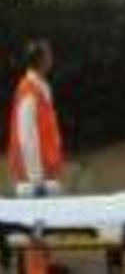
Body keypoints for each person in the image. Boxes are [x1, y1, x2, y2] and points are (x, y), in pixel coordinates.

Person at [7, 40, 64, 274]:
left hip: (45, 174)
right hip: (34, 178)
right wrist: (36, 179)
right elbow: (27, 136)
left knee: (43, 231)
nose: (52, 58)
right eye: (49, 54)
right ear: (40, 60)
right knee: (35, 232)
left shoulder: (40, 87)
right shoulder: (28, 90)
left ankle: (43, 268)